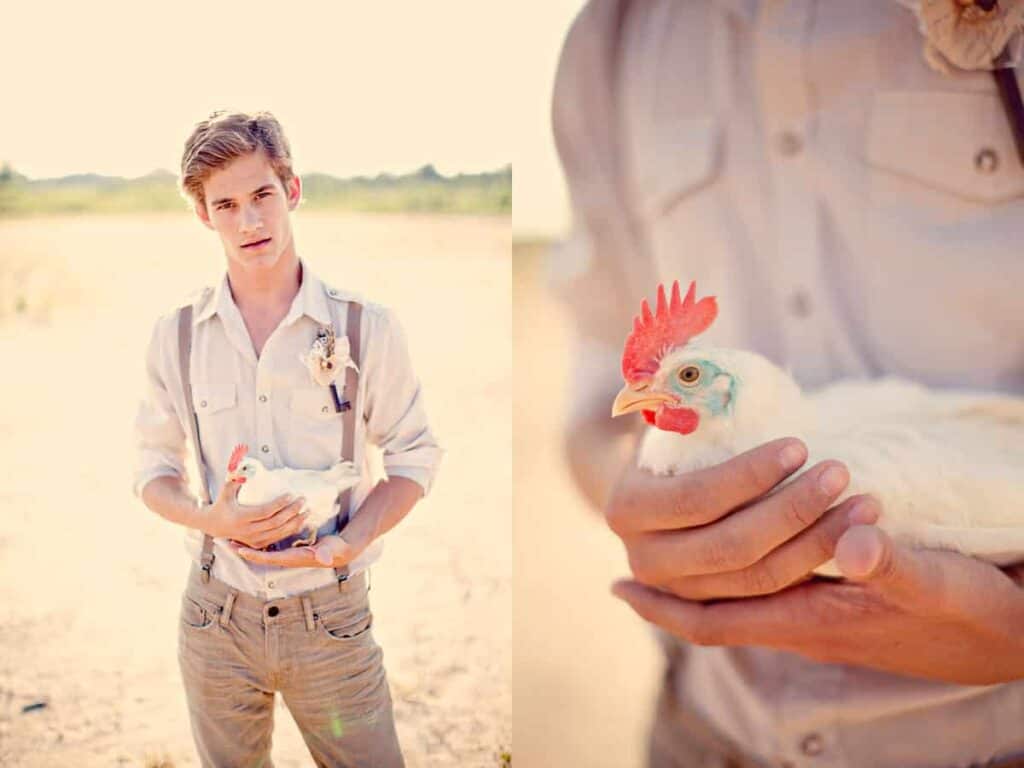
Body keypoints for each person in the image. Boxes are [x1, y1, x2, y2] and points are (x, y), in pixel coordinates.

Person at [551, 2, 1024, 766]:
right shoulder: (612, 37)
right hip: (703, 733)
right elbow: (596, 372)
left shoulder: (846, 477)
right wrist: (640, 498)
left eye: (690, 375)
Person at [133, 111, 442, 767]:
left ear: (292, 191)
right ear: (203, 216)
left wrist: (348, 543)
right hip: (214, 621)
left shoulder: (365, 326)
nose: (249, 222)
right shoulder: (178, 333)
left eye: (262, 196)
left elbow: (414, 456)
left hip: (331, 621)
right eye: (227, 205)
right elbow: (151, 470)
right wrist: (207, 518)